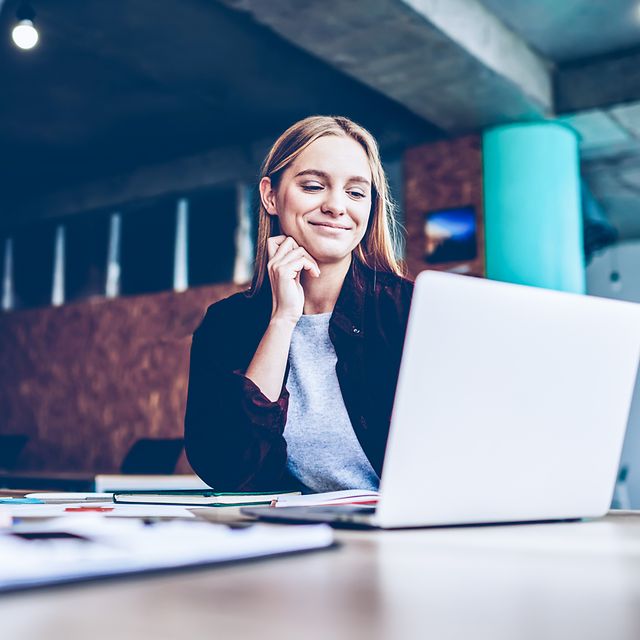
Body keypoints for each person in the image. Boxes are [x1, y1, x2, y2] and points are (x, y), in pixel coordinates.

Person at [184, 115, 414, 493]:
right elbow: (229, 467)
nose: (337, 206)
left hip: (412, 535)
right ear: (271, 196)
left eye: (356, 192)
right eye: (313, 186)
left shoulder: (409, 311)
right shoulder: (228, 323)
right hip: (295, 536)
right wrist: (283, 319)